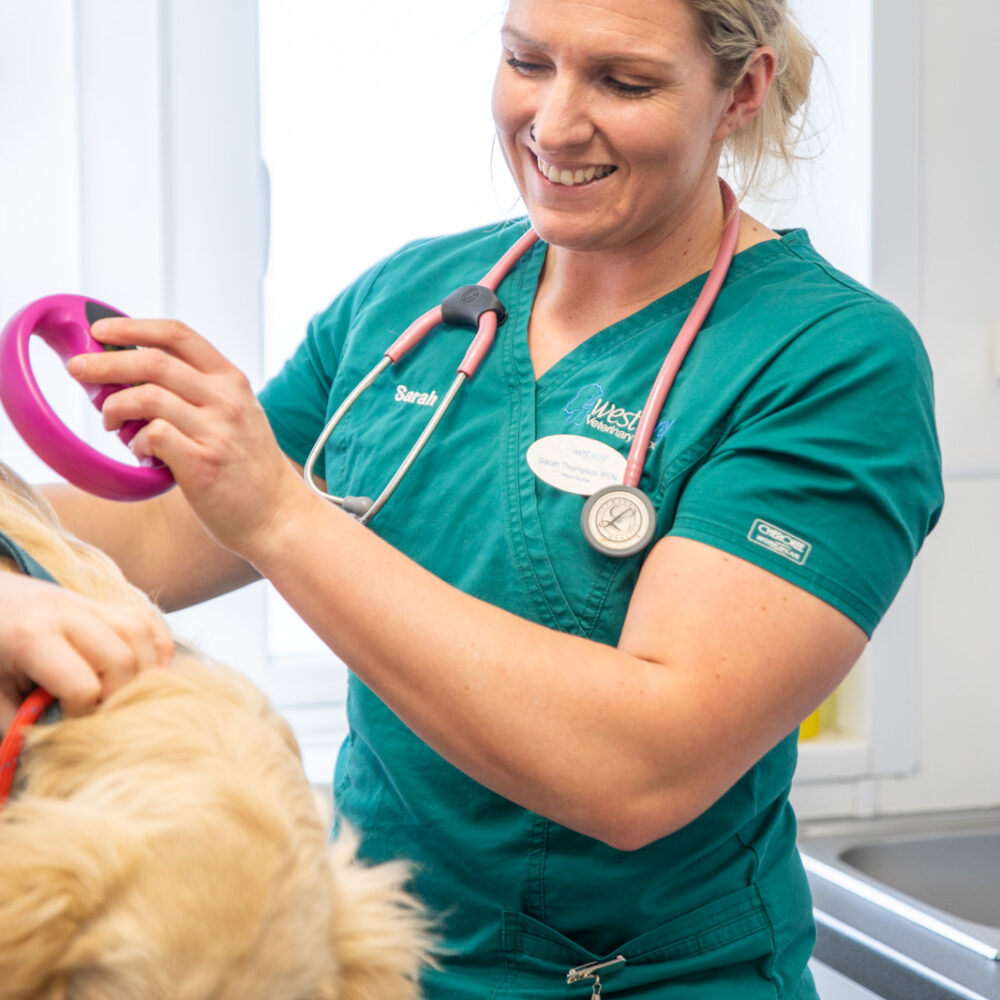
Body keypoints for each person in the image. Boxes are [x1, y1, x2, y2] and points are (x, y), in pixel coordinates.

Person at [2, 0, 943, 996]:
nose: (555, 123)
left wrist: (281, 512)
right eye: (526, 62)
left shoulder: (832, 362)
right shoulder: (413, 296)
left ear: (740, 91)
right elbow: (160, 534)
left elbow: (641, 767)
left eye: (623, 83)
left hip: (627, 982)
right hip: (367, 956)